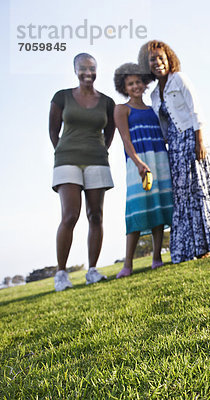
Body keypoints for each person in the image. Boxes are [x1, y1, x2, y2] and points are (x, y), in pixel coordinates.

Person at [138, 40, 210, 263]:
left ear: (169, 59)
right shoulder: (153, 95)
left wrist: (200, 141)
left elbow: (195, 109)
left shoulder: (179, 79)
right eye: (153, 60)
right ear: (147, 64)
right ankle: (191, 248)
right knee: (182, 195)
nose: (158, 63)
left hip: (192, 137)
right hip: (175, 147)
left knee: (199, 189)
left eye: (161, 58)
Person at [49, 53, 115, 291]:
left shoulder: (107, 102)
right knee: (70, 215)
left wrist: (100, 152)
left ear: (97, 70)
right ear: (75, 70)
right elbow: (53, 130)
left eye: (92, 68)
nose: (88, 73)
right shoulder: (62, 97)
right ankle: (61, 274)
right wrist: (64, 152)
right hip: (67, 160)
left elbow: (110, 133)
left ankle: (92, 271)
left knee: (96, 215)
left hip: (97, 160)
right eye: (83, 68)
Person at [112, 63, 174, 278]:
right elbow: (126, 141)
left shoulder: (152, 109)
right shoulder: (122, 109)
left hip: (160, 161)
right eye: (130, 84)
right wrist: (138, 163)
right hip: (138, 163)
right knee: (136, 212)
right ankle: (127, 264)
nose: (136, 86)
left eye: (138, 82)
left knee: (158, 209)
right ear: (124, 87)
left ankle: (157, 258)